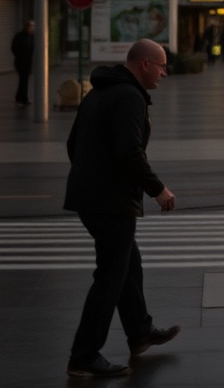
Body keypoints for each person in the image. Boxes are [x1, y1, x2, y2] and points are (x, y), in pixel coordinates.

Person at [64, 39, 179, 378]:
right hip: (110, 200)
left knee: (129, 263)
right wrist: (157, 189)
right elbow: (129, 152)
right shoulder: (129, 97)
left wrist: (90, 174)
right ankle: (83, 355)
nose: (165, 73)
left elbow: (73, 144)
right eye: (161, 66)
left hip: (92, 196)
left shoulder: (99, 91)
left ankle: (140, 332)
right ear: (144, 64)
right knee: (110, 277)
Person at [10, 20, 34, 105]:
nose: (31, 28)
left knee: (23, 80)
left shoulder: (32, 37)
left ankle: (19, 97)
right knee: (24, 80)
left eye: (32, 27)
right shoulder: (20, 36)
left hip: (28, 62)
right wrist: (20, 55)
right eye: (30, 26)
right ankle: (24, 98)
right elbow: (14, 48)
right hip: (21, 62)